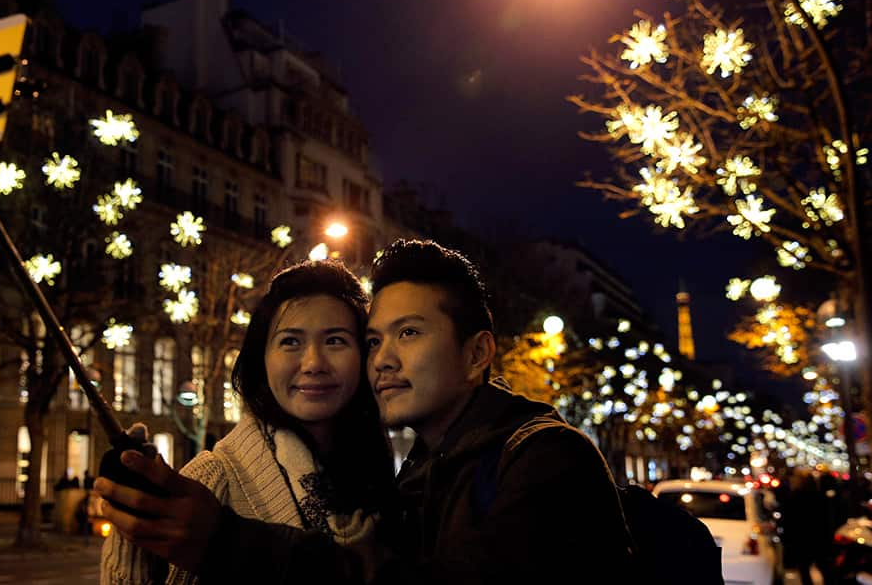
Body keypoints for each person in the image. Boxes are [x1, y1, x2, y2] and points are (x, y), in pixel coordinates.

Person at [96, 239, 634, 583]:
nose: (384, 359)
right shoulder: (424, 473)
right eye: (375, 339)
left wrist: (227, 542)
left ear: (477, 354)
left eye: (408, 333)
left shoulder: (544, 460)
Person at [99, 259, 395, 584]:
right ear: (262, 359)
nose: (313, 363)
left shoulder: (381, 472)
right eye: (290, 341)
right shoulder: (212, 480)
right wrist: (131, 537)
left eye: (335, 340)